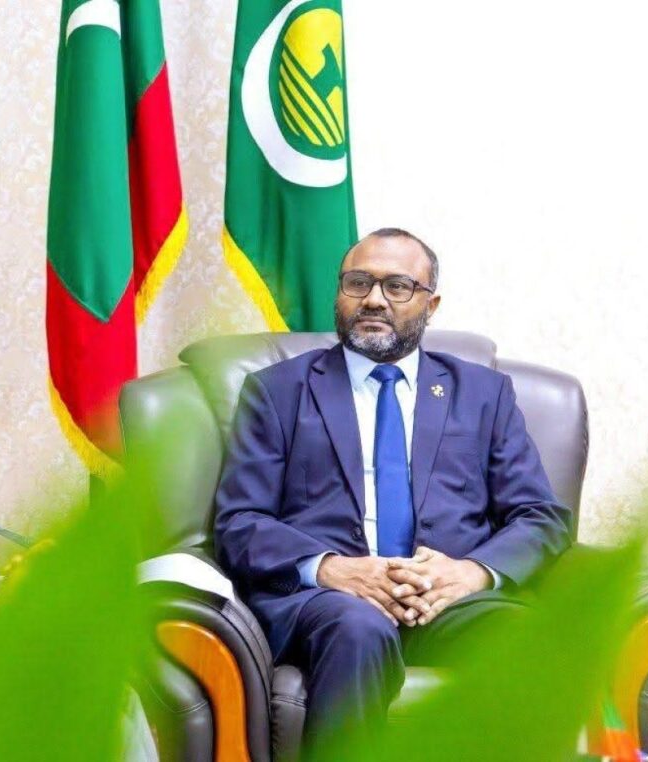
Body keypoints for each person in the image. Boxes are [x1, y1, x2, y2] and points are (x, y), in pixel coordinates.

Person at [214, 228, 572, 744]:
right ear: (340, 293)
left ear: (431, 304)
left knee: (525, 635)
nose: (374, 299)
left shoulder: (483, 394)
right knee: (357, 628)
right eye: (358, 283)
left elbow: (540, 515)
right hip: (334, 604)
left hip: (448, 600)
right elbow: (239, 520)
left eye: (397, 286)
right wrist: (331, 568)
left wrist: (471, 573)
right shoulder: (279, 391)